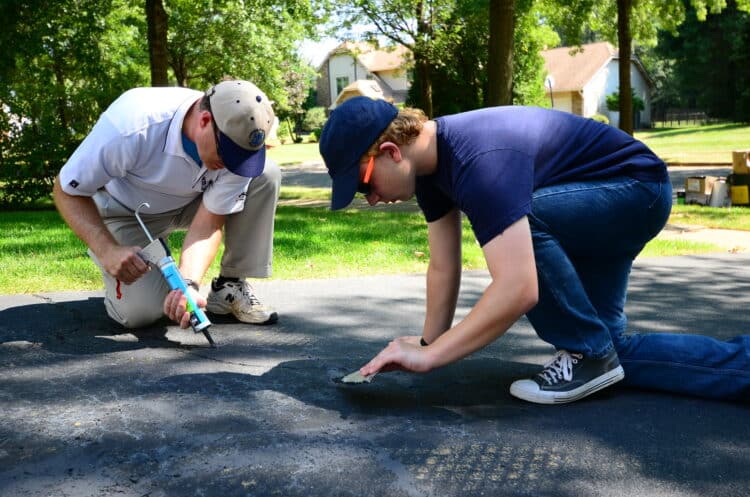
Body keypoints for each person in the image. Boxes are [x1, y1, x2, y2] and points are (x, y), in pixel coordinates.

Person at [318, 96, 750, 404]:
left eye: (363, 185)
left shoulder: (477, 160)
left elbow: (518, 288)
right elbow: (443, 265)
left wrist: (431, 357)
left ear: (391, 152)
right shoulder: (431, 173)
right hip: (606, 199)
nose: (370, 199)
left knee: (529, 223)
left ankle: (590, 351)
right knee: (609, 354)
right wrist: (429, 338)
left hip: (636, 191)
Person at [53, 79, 280, 331]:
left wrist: (189, 284)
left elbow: (209, 222)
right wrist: (106, 249)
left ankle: (229, 287)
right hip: (127, 212)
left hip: (192, 203)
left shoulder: (235, 140)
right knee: (141, 314)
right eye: (227, 154)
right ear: (204, 121)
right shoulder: (132, 124)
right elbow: (66, 190)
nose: (232, 165)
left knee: (264, 174)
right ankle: (127, 275)